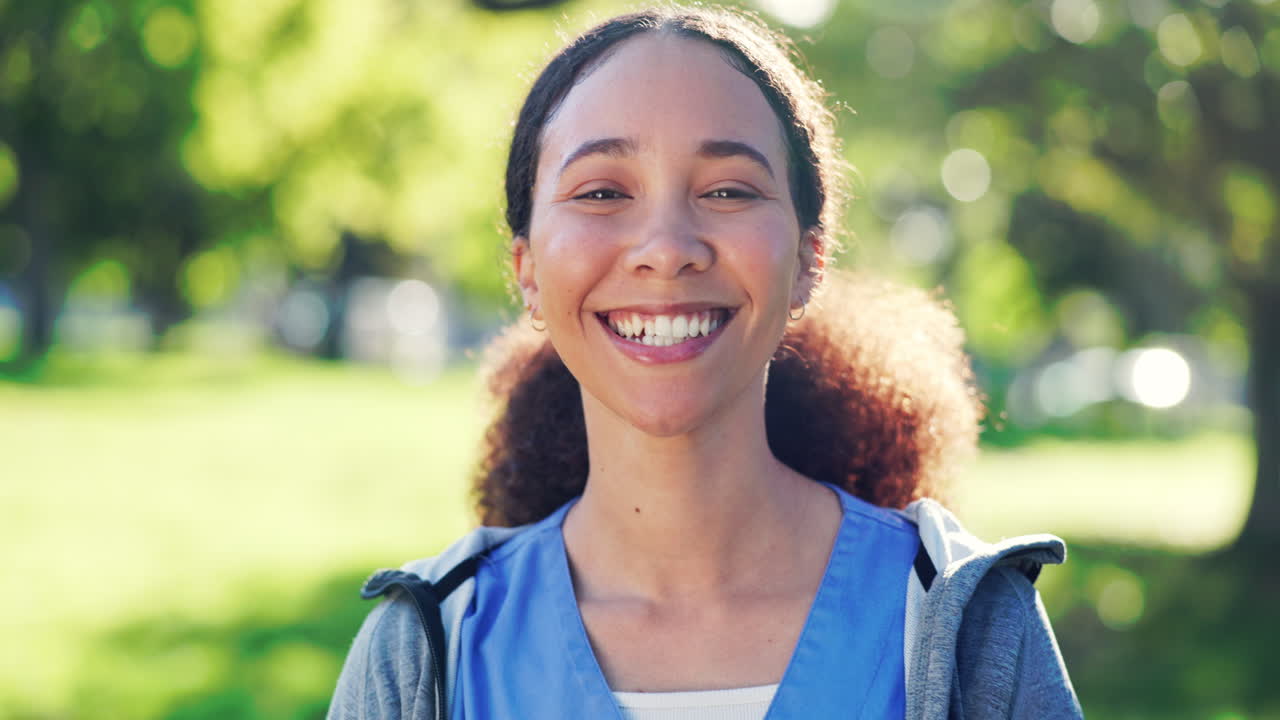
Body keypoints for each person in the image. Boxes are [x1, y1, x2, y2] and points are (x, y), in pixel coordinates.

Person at [328, 6, 1082, 719]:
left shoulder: (965, 629)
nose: (666, 247)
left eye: (727, 190)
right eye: (600, 192)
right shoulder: (429, 649)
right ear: (527, 269)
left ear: (808, 262)